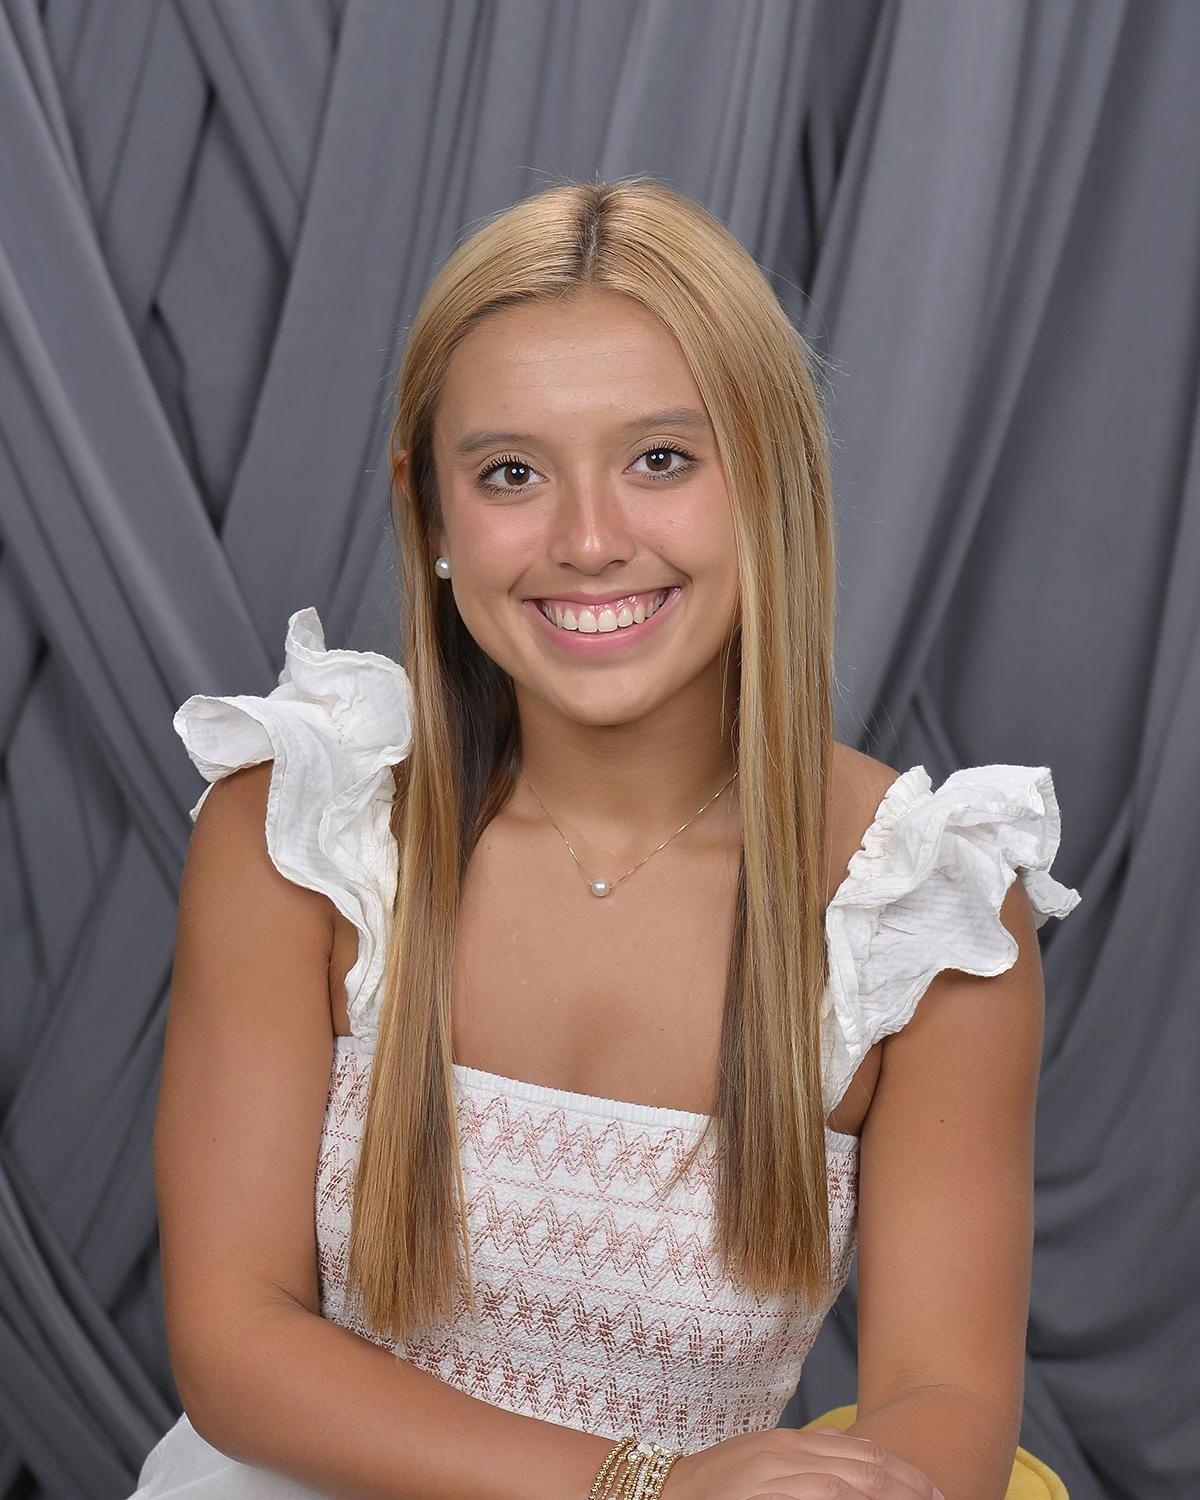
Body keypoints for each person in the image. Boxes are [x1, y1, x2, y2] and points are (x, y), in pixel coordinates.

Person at [131, 178, 1079, 1500]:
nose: (588, 541)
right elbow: (235, 1346)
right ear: (430, 511)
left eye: (662, 460)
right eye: (511, 473)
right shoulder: (302, 831)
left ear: (770, 477)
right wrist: (643, 1488)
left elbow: (947, 1394)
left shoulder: (924, 907)